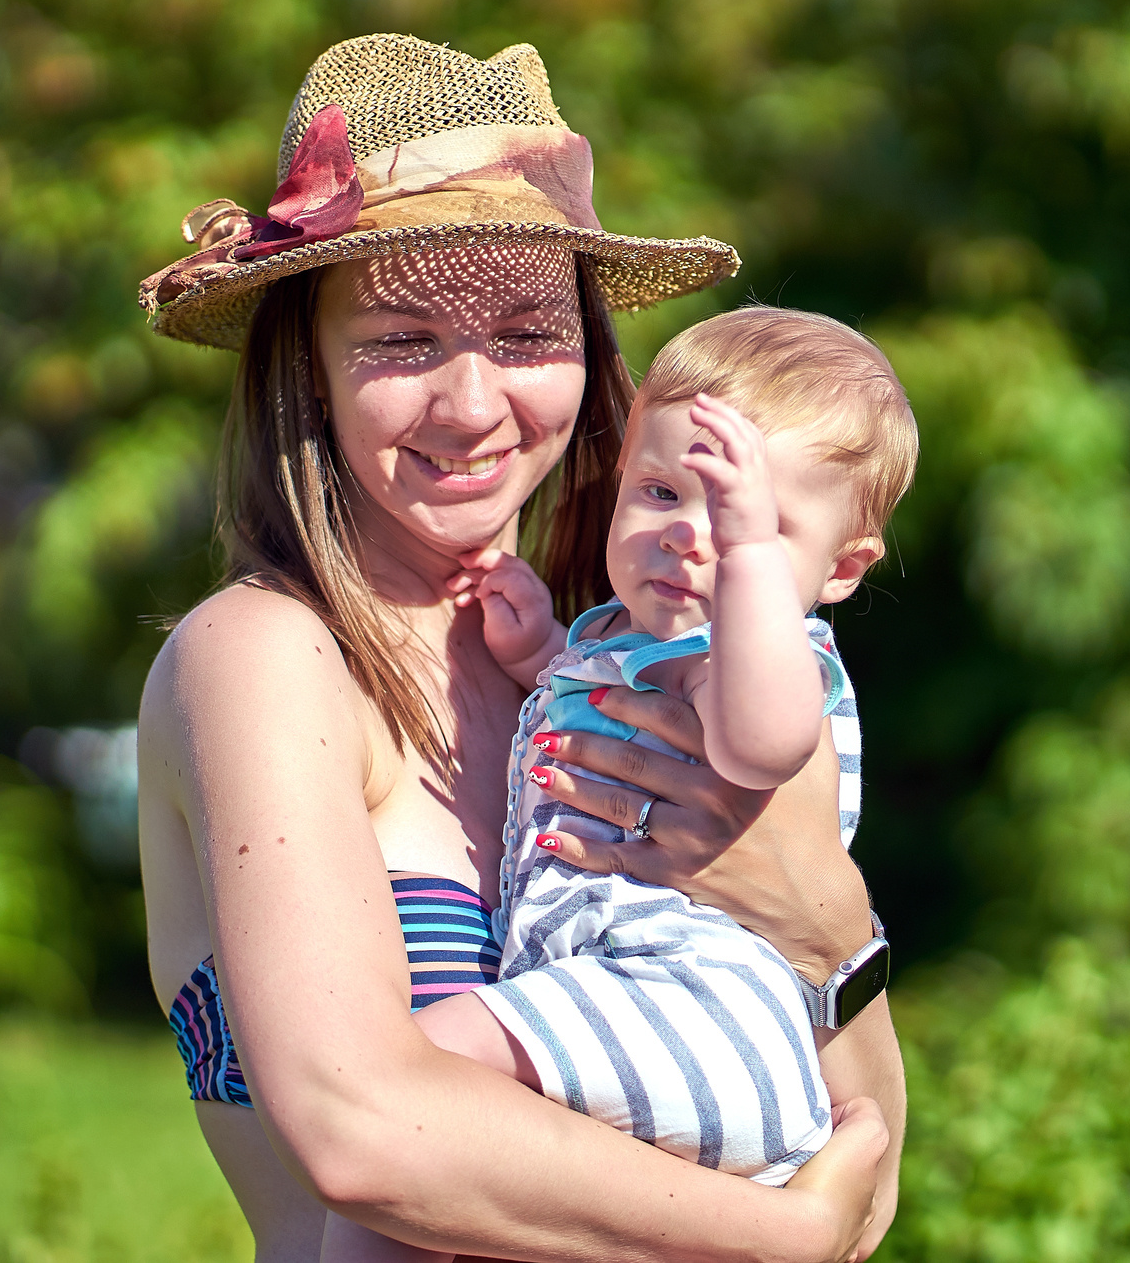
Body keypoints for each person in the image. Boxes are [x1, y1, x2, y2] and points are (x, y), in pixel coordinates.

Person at [131, 34, 903, 1263]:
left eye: (529, 333)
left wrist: (825, 922)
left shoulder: (597, 666)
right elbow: (360, 1130)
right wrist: (771, 1242)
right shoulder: (269, 659)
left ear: (593, 357)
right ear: (305, 364)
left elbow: (856, 1162)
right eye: (399, 339)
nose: (474, 403)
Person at [326, 308, 915, 1263]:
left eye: (748, 517)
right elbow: (616, 713)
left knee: (409, 1080)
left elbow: (761, 742)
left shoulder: (768, 657)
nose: (693, 535)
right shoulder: (623, 639)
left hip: (691, 1008)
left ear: (840, 567)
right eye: (661, 491)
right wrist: (543, 656)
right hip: (631, 1008)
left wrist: (752, 567)